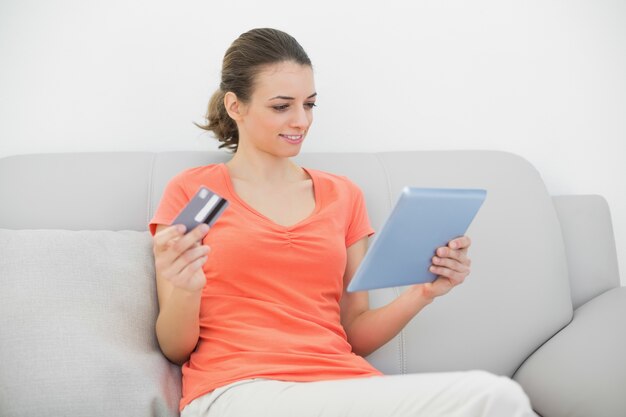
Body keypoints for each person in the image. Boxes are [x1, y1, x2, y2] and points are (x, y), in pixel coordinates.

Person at [149, 28, 537, 417]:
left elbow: (355, 333)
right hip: (236, 389)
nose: (301, 121)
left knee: (498, 399)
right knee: (494, 397)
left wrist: (423, 292)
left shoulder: (343, 196)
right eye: (282, 106)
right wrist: (185, 288)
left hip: (341, 381)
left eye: (310, 104)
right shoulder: (192, 191)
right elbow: (175, 346)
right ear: (236, 106)